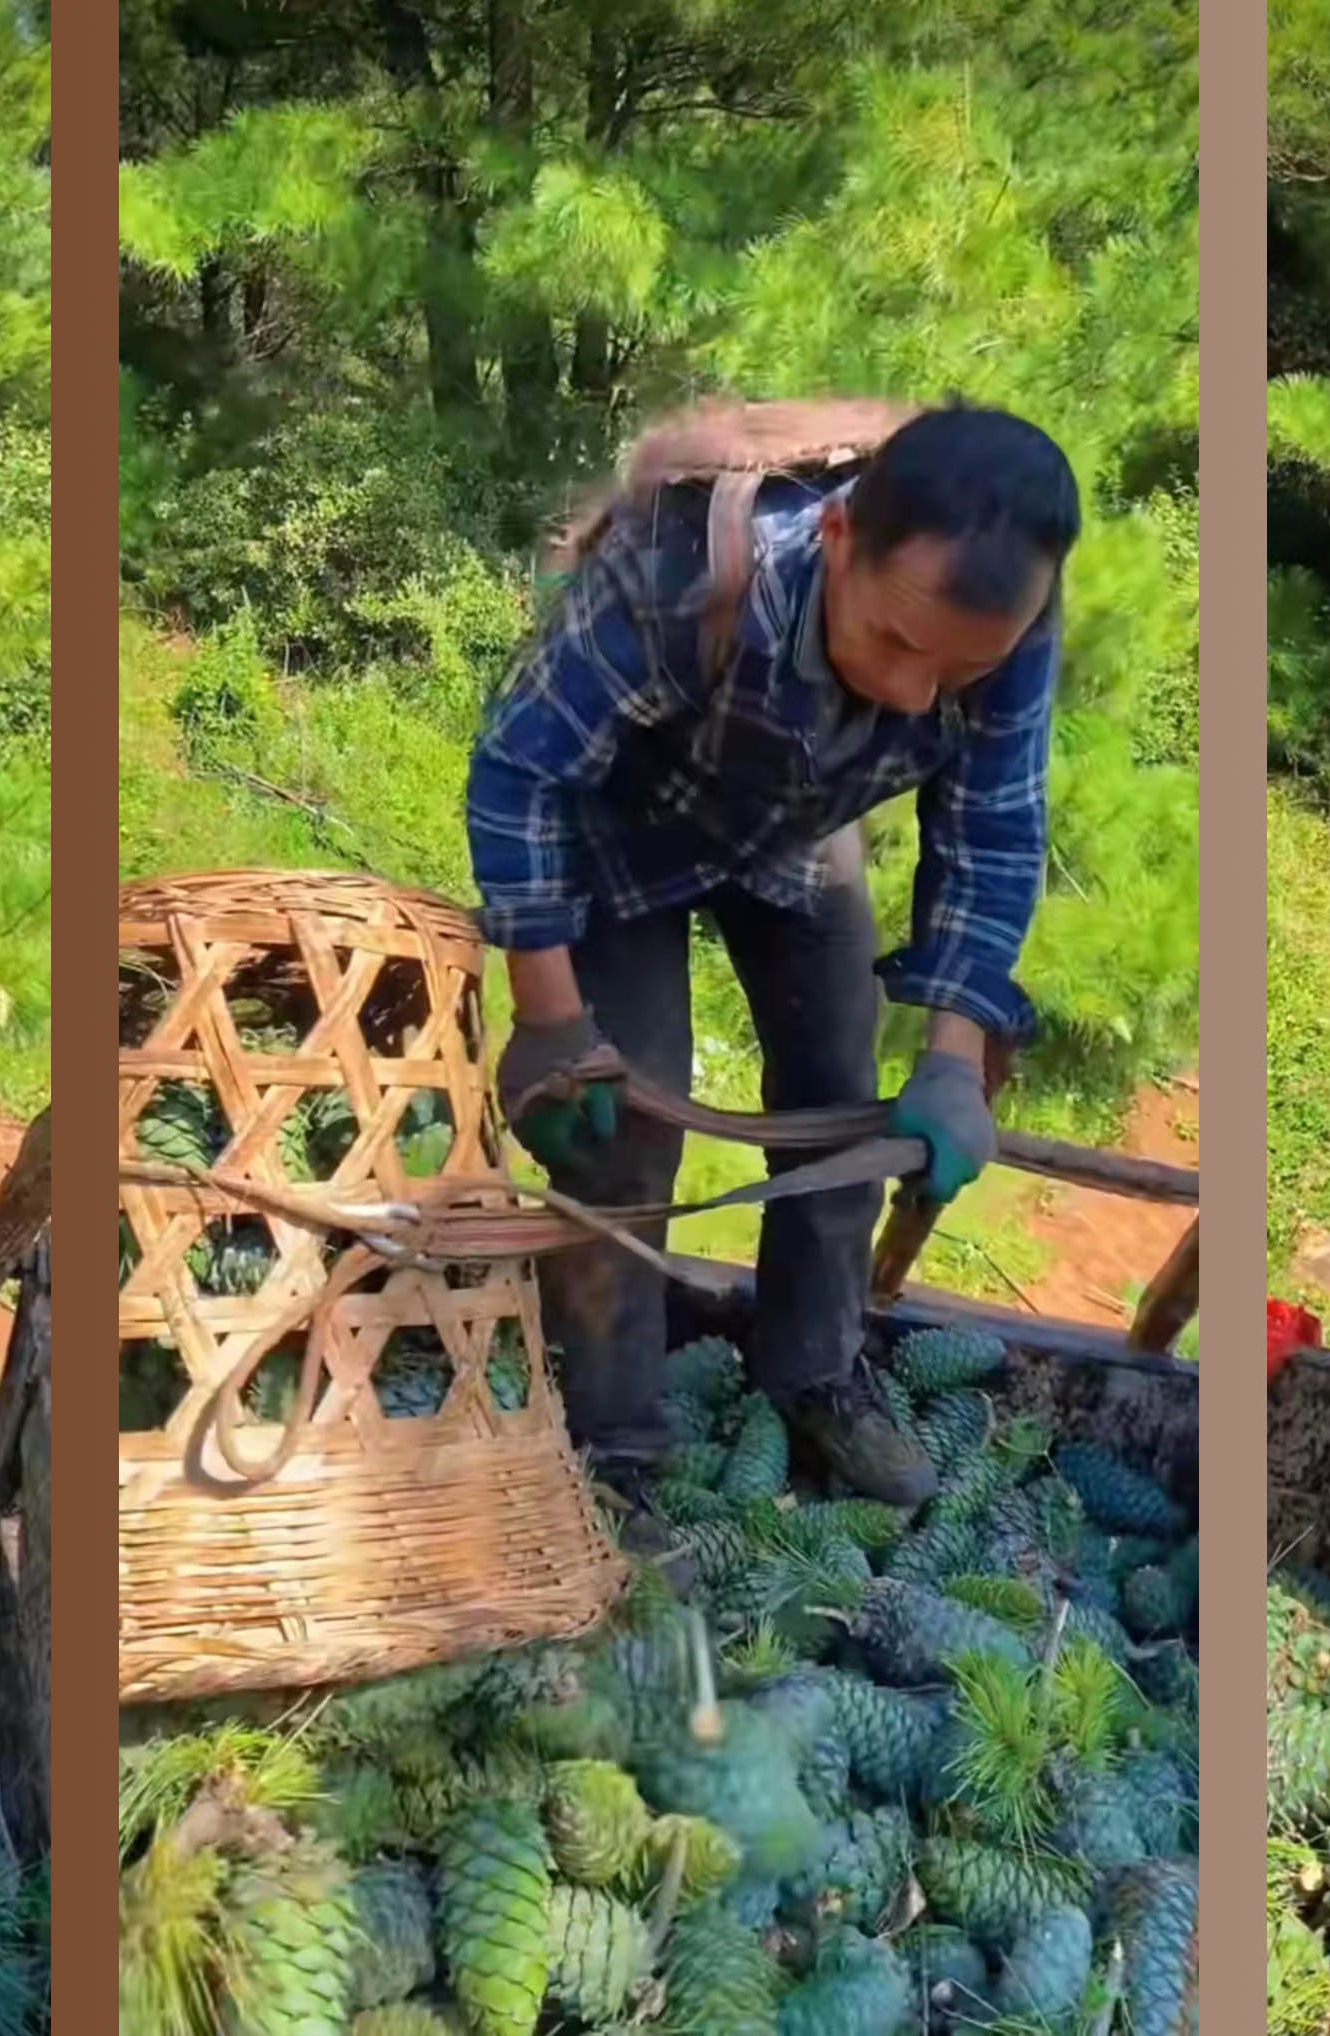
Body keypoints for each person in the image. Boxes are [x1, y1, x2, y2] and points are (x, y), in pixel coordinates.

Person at [463, 401, 1079, 1523]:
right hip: (619, 830)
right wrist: (549, 1019)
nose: (912, 692)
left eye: (956, 670)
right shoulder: (675, 576)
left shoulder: (1006, 626)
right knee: (622, 1123)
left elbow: (989, 831)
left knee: (843, 1100)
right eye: (893, 642)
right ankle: (609, 1444)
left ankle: (813, 1366)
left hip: (793, 835)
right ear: (840, 538)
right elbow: (520, 775)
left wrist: (951, 1056)